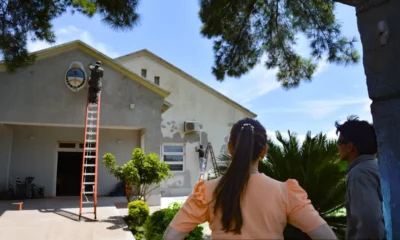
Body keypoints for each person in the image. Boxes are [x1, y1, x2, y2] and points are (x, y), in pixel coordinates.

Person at [163, 118, 337, 239]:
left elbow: (171, 236)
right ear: (264, 151)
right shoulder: (286, 192)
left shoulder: (207, 191)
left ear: (230, 148)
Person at [335, 115, 385, 239]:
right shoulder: (378, 167)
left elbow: (369, 222)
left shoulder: (359, 174)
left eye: (339, 143)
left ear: (350, 146)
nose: (338, 147)